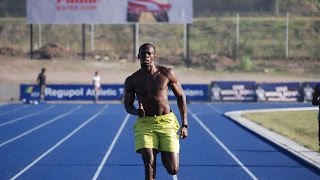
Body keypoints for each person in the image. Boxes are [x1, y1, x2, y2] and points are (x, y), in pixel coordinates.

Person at [124, 43, 188, 180]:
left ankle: (163, 152)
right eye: (143, 53)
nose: (146, 56)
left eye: (149, 53)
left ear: (154, 56)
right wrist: (137, 112)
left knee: (172, 169)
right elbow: (128, 106)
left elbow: (181, 96)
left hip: (166, 122)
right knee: (149, 163)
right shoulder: (132, 80)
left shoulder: (167, 73)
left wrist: (184, 124)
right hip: (145, 124)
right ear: (138, 56)